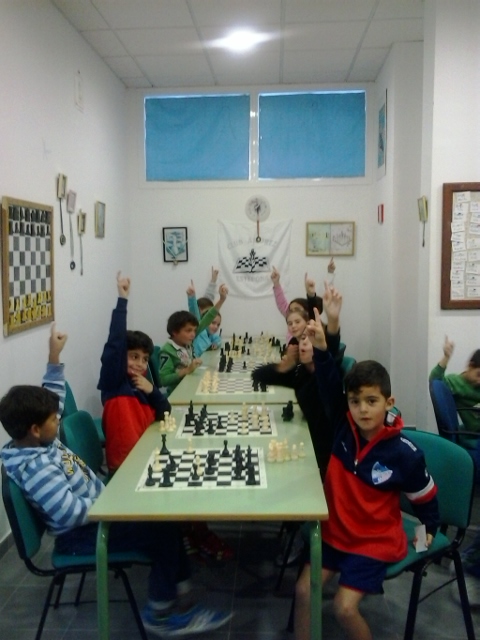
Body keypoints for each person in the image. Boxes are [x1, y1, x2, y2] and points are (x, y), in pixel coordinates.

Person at [0, 324, 231, 637]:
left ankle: (181, 593)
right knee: (162, 529)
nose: (59, 418)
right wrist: (115, 503)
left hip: (100, 511)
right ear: (36, 429)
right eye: (55, 420)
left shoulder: (39, 439)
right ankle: (161, 614)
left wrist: (54, 355)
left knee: (166, 520)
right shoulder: (35, 468)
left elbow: (54, 397)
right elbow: (68, 513)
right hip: (81, 535)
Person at [294, 307, 440, 640]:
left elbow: (425, 496)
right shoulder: (342, 426)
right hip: (334, 531)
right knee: (303, 591)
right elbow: (328, 383)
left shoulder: (405, 453)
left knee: (344, 608)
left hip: (373, 541)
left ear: (389, 402)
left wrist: (429, 528)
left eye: (372, 401)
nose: (362, 409)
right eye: (355, 401)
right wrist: (321, 348)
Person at [253, 281, 344, 479]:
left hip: (328, 449)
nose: (304, 344)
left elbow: (331, 347)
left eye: (310, 340)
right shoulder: (300, 373)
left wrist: (333, 319)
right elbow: (258, 376)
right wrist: (283, 367)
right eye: (302, 339)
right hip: (308, 437)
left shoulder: (328, 373)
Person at [98, 272, 171, 474]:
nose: (140, 364)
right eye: (133, 356)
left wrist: (152, 390)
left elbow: (165, 412)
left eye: (145, 359)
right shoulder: (114, 382)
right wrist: (122, 301)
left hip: (145, 454)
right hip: (125, 466)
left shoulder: (140, 384)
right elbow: (115, 344)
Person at [430, 337, 480, 605]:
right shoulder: (456, 383)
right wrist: (446, 358)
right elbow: (435, 378)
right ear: (470, 367)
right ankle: (472, 563)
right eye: (478, 374)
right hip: (470, 444)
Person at [159, 282, 228, 396]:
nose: (193, 334)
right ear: (175, 332)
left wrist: (221, 300)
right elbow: (163, 380)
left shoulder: (187, 343)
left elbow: (207, 318)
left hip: (192, 386)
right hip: (178, 393)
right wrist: (186, 370)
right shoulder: (167, 350)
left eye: (195, 331)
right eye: (188, 331)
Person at [270, 267, 323, 343]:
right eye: (291, 310)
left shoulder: (311, 328)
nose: (293, 325)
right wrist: (276, 283)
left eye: (297, 309)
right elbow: (281, 302)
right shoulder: (292, 331)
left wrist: (311, 294)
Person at [187, 277, 222, 357]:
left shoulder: (208, 332)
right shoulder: (198, 328)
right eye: (213, 323)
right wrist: (192, 297)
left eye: (218, 324)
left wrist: (216, 343)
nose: (216, 326)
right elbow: (194, 312)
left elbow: (217, 339)